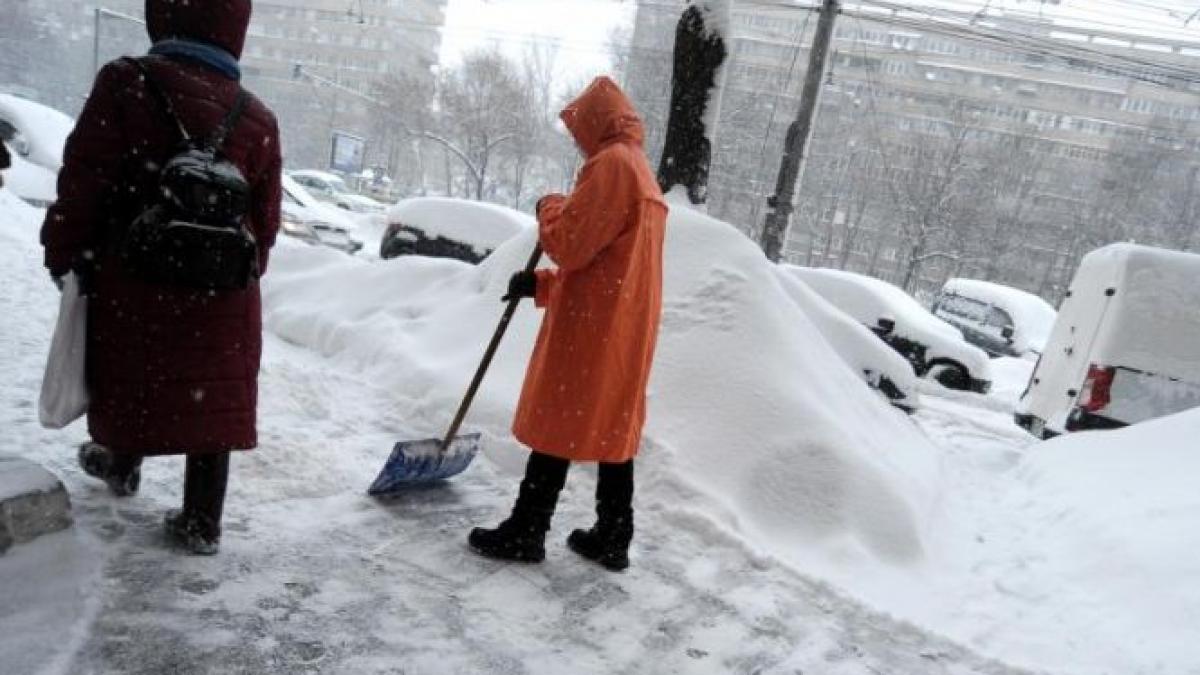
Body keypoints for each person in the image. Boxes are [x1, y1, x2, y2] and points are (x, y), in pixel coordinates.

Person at [40, 0, 281, 555]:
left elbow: (84, 179)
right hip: (224, 286)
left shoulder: (128, 83)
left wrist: (64, 250)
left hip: (137, 271)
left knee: (136, 371)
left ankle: (120, 462)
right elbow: (264, 224)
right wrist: (234, 275)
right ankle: (202, 519)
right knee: (212, 390)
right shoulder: (256, 116)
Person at [468, 76, 668, 572]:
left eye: (579, 129)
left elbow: (571, 245)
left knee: (559, 420)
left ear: (596, 122)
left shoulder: (611, 167)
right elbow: (609, 269)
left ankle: (527, 529)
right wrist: (539, 286)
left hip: (592, 332)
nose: (578, 142)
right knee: (611, 426)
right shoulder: (642, 172)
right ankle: (613, 533)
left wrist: (549, 206)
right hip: (623, 328)